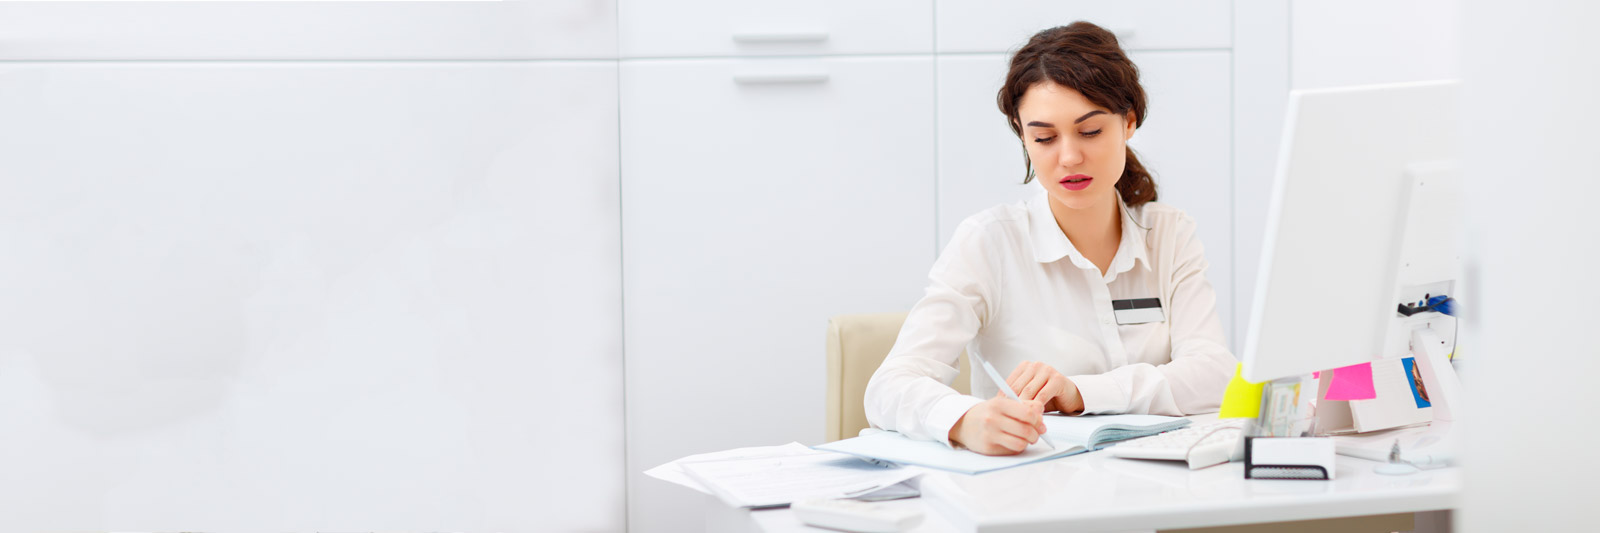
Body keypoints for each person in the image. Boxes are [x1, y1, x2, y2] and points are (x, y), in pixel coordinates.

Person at [862, 21, 1237, 456]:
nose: (1069, 156)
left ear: (1129, 122)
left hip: (1158, 484)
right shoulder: (989, 243)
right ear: (1023, 136)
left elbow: (1214, 375)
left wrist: (1080, 393)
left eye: (1090, 131)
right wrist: (963, 420)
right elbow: (889, 386)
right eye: (1044, 137)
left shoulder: (1169, 233)